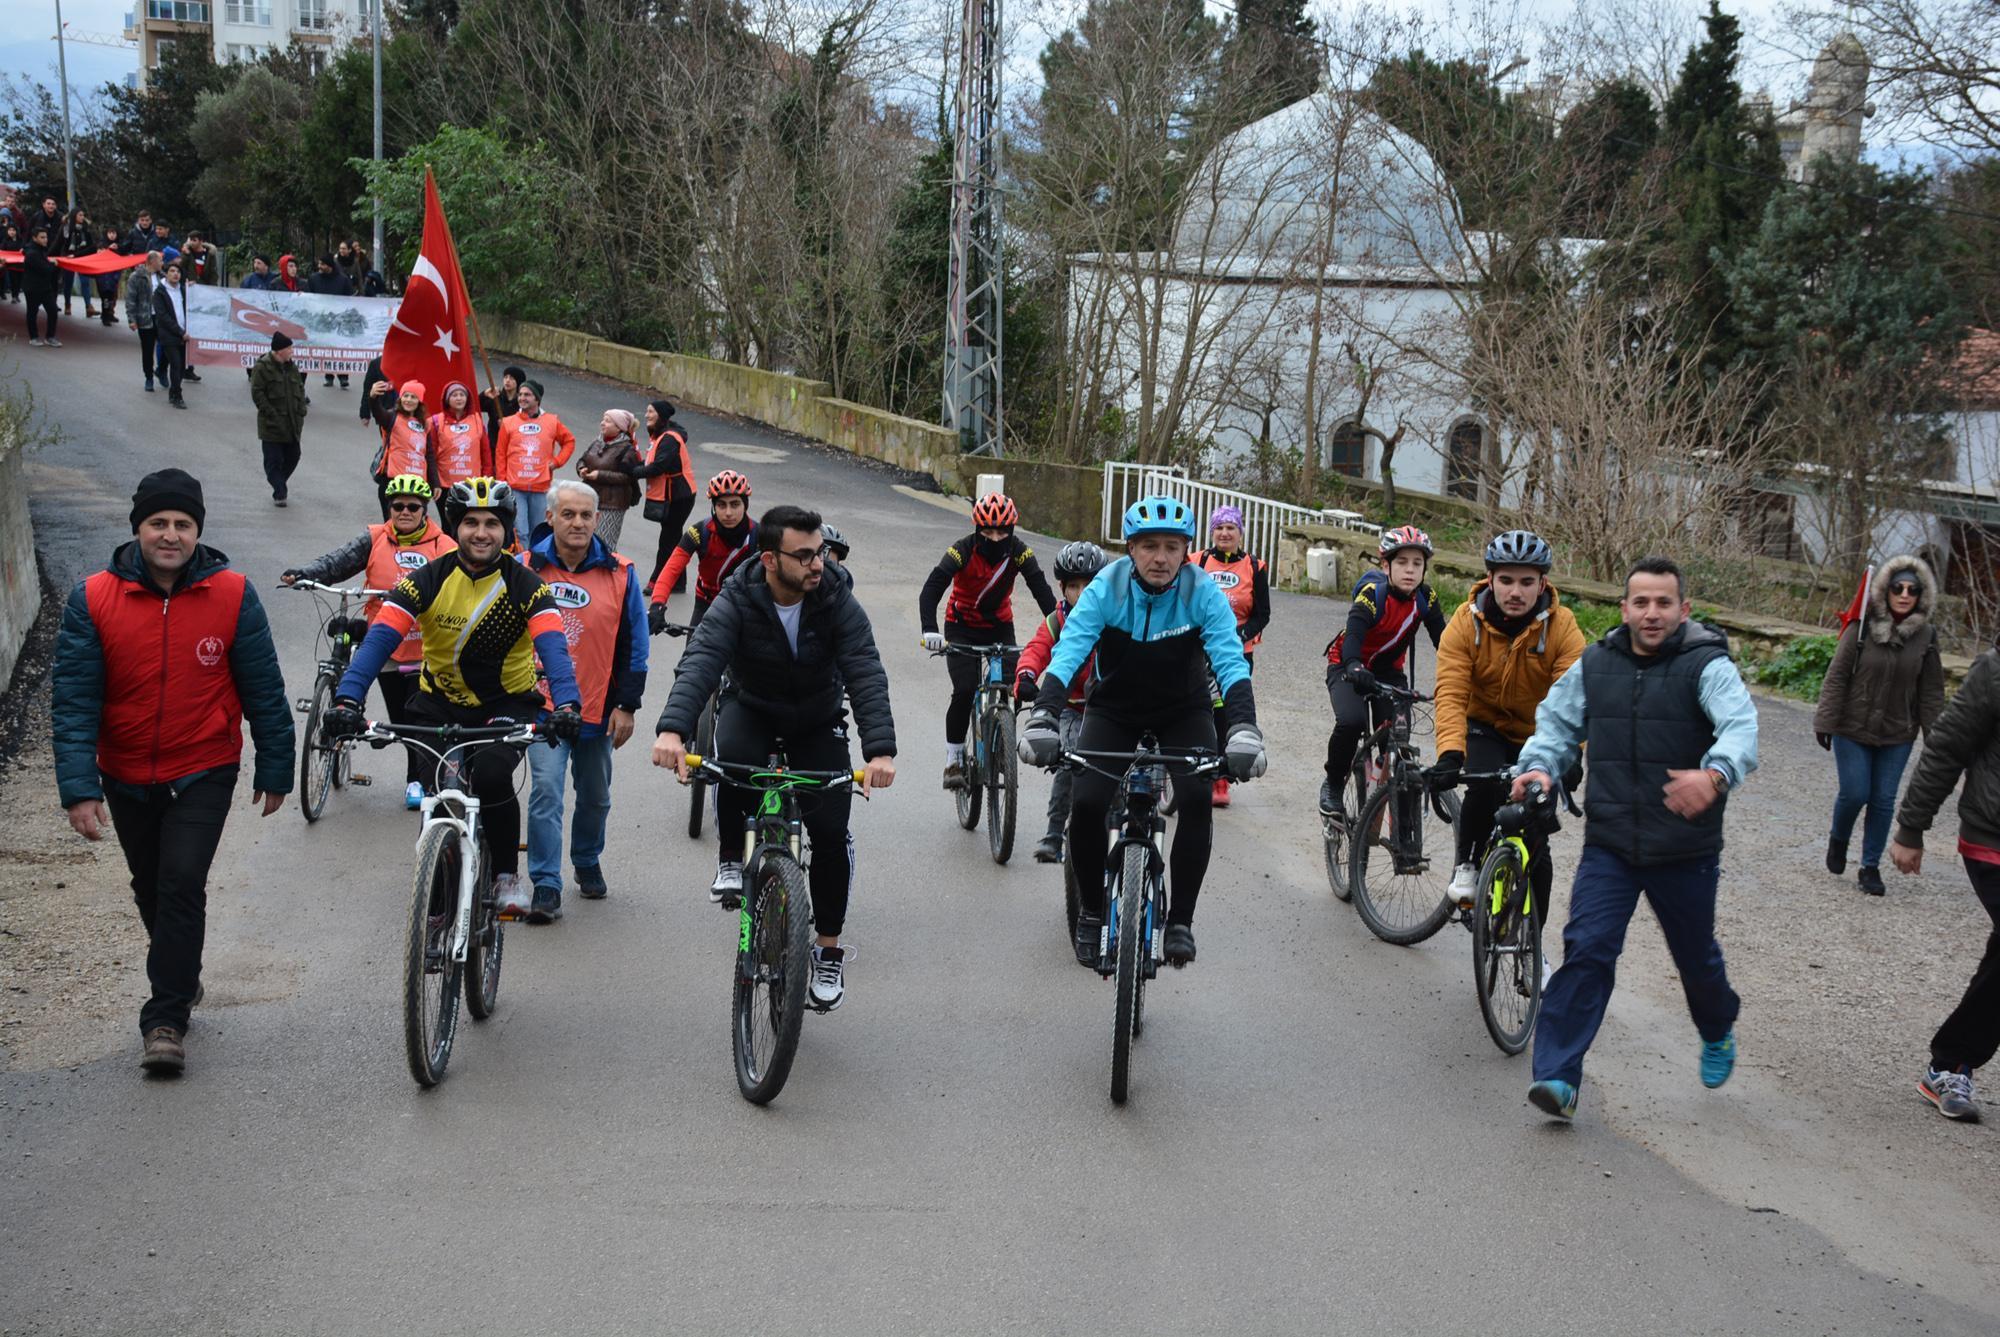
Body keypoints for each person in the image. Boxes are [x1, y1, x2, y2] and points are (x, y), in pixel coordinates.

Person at [51, 468, 294, 1075]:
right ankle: (181, 971)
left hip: (203, 766)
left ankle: (165, 1019)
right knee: (151, 884)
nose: (170, 534)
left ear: (197, 533)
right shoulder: (95, 597)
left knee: (180, 882)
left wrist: (276, 765)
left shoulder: (234, 593)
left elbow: (263, 687)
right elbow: (75, 700)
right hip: (125, 770)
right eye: (159, 523)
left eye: (182, 524)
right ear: (138, 529)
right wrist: (79, 788)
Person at [1514, 556, 1759, 1121]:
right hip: (1612, 845)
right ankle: (1556, 1076)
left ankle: (1717, 1026)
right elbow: (1557, 725)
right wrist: (1540, 767)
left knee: (1696, 960)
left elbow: (1741, 727)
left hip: (1685, 849)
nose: (1652, 614)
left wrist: (1715, 774)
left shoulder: (1707, 665)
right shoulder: (1596, 664)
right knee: (1588, 951)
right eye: (1641, 603)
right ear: (1624, 609)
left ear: (1683, 609)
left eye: (1663, 603)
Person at [652, 504, 897, 1010]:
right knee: (731, 765)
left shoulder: (836, 599)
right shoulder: (737, 598)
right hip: (754, 706)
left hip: (816, 716)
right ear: (769, 559)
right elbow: (701, 660)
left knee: (830, 831)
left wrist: (880, 751)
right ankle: (729, 857)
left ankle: (827, 951)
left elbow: (865, 670)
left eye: (822, 553)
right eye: (805, 555)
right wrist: (674, 731)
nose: (818, 565)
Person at [1021, 497, 1265, 967]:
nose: (1161, 557)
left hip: (1183, 709)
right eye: (1149, 546)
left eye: (1173, 547)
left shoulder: (1202, 592)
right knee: (1088, 803)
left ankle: (1181, 923)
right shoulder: (1105, 588)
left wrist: (1243, 729)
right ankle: (1092, 910)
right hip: (1114, 710)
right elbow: (1069, 651)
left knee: (1196, 799)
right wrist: (1044, 717)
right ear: (1130, 549)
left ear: (1187, 551)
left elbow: (1231, 663)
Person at [323, 478, 585, 911]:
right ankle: (438, 887)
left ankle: (504, 875)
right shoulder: (426, 579)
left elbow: (555, 651)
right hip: (438, 703)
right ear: (454, 527)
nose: (481, 533)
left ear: (506, 531)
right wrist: (348, 699)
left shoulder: (526, 585)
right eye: (470, 523)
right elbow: (378, 642)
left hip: (506, 705)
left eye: (491, 524)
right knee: (434, 789)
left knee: (492, 778)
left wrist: (569, 705)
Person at [1430, 530, 1585, 909]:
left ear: (1542, 583)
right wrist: (1450, 753)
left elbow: (1576, 700)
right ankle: (1467, 864)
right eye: (1507, 580)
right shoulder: (1466, 623)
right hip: (1484, 726)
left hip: (1540, 737)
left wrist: (1570, 757)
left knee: (1537, 840)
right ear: (1490, 579)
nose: (1516, 591)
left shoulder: (1562, 627)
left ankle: (1533, 950)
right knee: (1482, 788)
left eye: (1527, 582)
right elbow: (1451, 691)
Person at [281, 476, 456, 805]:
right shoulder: (376, 537)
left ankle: (415, 780)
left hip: (425, 647)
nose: (404, 512)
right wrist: (305, 573)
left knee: (418, 719)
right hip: (386, 645)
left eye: (412, 507)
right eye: (397, 506)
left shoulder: (443, 546)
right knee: (401, 716)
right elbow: (337, 562)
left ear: (425, 511)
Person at [521, 481, 649, 922]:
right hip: (542, 706)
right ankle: (545, 883)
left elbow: (636, 642)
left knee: (595, 796)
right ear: (550, 517)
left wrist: (627, 705)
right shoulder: (524, 568)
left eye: (586, 515)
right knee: (546, 793)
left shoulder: (621, 572)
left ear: (597, 520)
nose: (578, 523)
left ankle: (586, 858)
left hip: (599, 707)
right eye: (568, 514)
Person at [1889, 639, 2000, 1122]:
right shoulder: (1995, 671)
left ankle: (1948, 1065)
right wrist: (1912, 826)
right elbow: (1947, 744)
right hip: (1992, 837)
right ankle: (1951, 1062)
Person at [1814, 556, 1946, 895]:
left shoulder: (1926, 636)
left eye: (1912, 590)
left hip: (1897, 732)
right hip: (1852, 726)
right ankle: (1838, 839)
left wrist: (1937, 739)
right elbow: (1837, 677)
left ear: (1921, 595)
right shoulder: (1861, 626)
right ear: (1884, 591)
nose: (1904, 595)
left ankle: (1869, 867)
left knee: (1884, 799)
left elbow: (1931, 692)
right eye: (1897, 588)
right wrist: (1825, 720)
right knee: (1855, 792)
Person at [917, 493, 1058, 790]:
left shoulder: (1019, 552)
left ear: (1012, 531)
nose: (995, 538)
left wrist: (1062, 631)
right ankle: (954, 758)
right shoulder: (962, 551)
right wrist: (930, 630)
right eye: (988, 532)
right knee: (965, 689)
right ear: (977, 530)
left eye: (1002, 532)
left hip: (999, 627)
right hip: (960, 627)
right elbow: (931, 589)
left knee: (1014, 683)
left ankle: (1002, 740)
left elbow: (1043, 592)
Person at [1319, 526, 1446, 821]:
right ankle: (1334, 785)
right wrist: (1353, 666)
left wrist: (1460, 677)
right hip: (1348, 665)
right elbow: (1353, 635)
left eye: (1417, 563)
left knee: (1397, 734)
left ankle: (1387, 787)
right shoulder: (1371, 595)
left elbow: (1446, 644)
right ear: (1386, 565)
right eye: (1402, 562)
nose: (1410, 570)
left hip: (1389, 671)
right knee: (1351, 722)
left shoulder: (1426, 598)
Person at [1015, 540, 1105, 864]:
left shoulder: (1115, 620)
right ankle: (1054, 834)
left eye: (1089, 586)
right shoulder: (1056, 620)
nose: (1081, 594)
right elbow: (1037, 649)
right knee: (1070, 765)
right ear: (1062, 588)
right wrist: (1026, 676)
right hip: (1071, 707)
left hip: (1108, 710)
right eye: (1073, 587)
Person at [1192, 505, 1270, 808]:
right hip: (1199, 647)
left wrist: (1237, 635)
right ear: (1212, 532)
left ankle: (1221, 776)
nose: (1225, 533)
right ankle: (1194, 763)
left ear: (1240, 533)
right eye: (1219, 528)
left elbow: (1262, 614)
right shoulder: (1197, 561)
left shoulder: (1254, 566)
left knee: (1224, 710)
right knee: (1199, 706)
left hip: (1236, 651)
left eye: (1231, 528)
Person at [646, 470, 757, 631]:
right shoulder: (699, 532)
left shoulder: (759, 535)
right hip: (707, 602)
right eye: (721, 505)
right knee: (693, 655)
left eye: (735, 504)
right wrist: (657, 604)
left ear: (745, 505)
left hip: (743, 605)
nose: (728, 513)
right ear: (713, 507)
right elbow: (671, 569)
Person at [492, 379, 576, 536]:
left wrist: (557, 462)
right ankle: (522, 560)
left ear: (537, 399)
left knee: (538, 532)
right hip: (515, 487)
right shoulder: (509, 422)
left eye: (527, 395)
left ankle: (534, 560)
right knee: (520, 532)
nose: (522, 398)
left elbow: (569, 441)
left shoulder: (552, 421)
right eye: (521, 394)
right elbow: (500, 453)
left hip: (540, 488)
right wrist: (502, 481)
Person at [631, 399, 697, 589]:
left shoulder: (669, 438)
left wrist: (631, 473)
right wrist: (635, 467)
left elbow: (658, 467)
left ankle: (657, 581)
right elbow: (650, 462)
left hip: (679, 496)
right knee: (673, 539)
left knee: (667, 540)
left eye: (650, 411)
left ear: (661, 415)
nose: (646, 415)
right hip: (672, 495)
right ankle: (677, 583)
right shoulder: (659, 437)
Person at [249, 332, 309, 506]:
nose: (292, 351)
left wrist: (301, 410)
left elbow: (300, 388)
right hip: (271, 425)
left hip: (292, 423)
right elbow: (257, 393)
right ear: (279, 351)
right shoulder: (263, 367)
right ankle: (280, 491)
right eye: (289, 348)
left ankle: (279, 482)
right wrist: (270, 413)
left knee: (294, 456)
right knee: (273, 461)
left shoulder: (292, 367)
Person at [576, 408, 643, 549]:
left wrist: (599, 475)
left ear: (619, 427)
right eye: (603, 420)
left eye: (607, 421)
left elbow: (627, 477)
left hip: (612, 504)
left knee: (604, 545)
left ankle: (607, 570)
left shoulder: (627, 449)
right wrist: (581, 468)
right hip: (590, 499)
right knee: (586, 542)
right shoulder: (597, 442)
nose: (602, 423)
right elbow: (582, 459)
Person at [368, 379, 434, 519]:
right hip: (392, 481)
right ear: (400, 398)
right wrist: (373, 397)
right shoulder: (392, 417)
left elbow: (429, 455)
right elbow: (378, 413)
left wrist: (435, 484)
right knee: (392, 527)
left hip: (418, 484)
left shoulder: (426, 424)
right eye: (406, 396)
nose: (408, 400)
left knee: (416, 526)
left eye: (413, 397)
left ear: (419, 401)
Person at [427, 383, 491, 489]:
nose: (459, 398)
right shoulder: (436, 421)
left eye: (462, 395)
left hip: (472, 485)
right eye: (454, 395)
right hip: (444, 485)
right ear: (447, 399)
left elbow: (485, 453)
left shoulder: (476, 419)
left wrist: (486, 478)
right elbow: (431, 454)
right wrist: (434, 482)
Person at [304, 256, 353, 387]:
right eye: (319, 263)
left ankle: (343, 376)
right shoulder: (314, 279)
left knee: (340, 347)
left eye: (322, 264)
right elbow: (309, 296)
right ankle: (329, 375)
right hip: (322, 318)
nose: (320, 266)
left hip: (339, 318)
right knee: (327, 347)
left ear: (330, 266)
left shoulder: (342, 280)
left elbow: (350, 297)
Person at [151, 260, 189, 408]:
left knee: (180, 368)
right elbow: (163, 316)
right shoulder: (159, 292)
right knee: (176, 364)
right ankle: (177, 396)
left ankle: (173, 392)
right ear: (166, 274)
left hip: (184, 334)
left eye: (178, 272)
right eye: (172, 271)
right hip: (169, 335)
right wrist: (180, 332)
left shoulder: (183, 290)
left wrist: (193, 288)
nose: (175, 274)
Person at [126, 251, 163, 389]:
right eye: (160, 261)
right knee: (147, 350)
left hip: (160, 318)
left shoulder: (162, 277)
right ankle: (149, 377)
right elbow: (130, 299)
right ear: (152, 261)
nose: (162, 263)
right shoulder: (136, 277)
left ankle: (161, 370)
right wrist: (132, 319)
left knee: (167, 346)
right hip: (145, 319)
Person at [22, 224, 61, 347]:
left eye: (46, 237)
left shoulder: (40, 249)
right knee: (32, 312)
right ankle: (33, 337)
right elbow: (45, 269)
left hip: (45, 287)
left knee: (53, 310)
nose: (45, 239)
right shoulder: (32, 253)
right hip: (33, 288)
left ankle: (50, 337)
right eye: (42, 237)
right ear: (35, 238)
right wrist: (53, 264)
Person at [59, 206, 97, 318]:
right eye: (80, 215)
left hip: (81, 259)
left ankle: (88, 306)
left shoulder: (86, 229)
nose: (82, 217)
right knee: (68, 283)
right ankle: (67, 304)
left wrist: (77, 255)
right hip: (69, 259)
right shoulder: (67, 229)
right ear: (74, 216)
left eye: (83, 215)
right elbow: (61, 243)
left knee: (85, 282)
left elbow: (92, 247)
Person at [480, 365, 527, 443]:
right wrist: (484, 394)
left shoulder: (523, 403)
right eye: (505, 377)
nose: (507, 380)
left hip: (513, 445)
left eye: (511, 378)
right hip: (493, 445)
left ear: (518, 381)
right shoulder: (495, 398)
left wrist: (507, 425)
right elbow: (475, 406)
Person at [96, 224, 124, 324]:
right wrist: (107, 248)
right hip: (103, 277)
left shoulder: (119, 246)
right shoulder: (102, 245)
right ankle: (105, 316)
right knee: (105, 299)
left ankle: (109, 314)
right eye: (110, 233)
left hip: (113, 277)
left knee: (112, 298)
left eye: (114, 233)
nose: (112, 235)